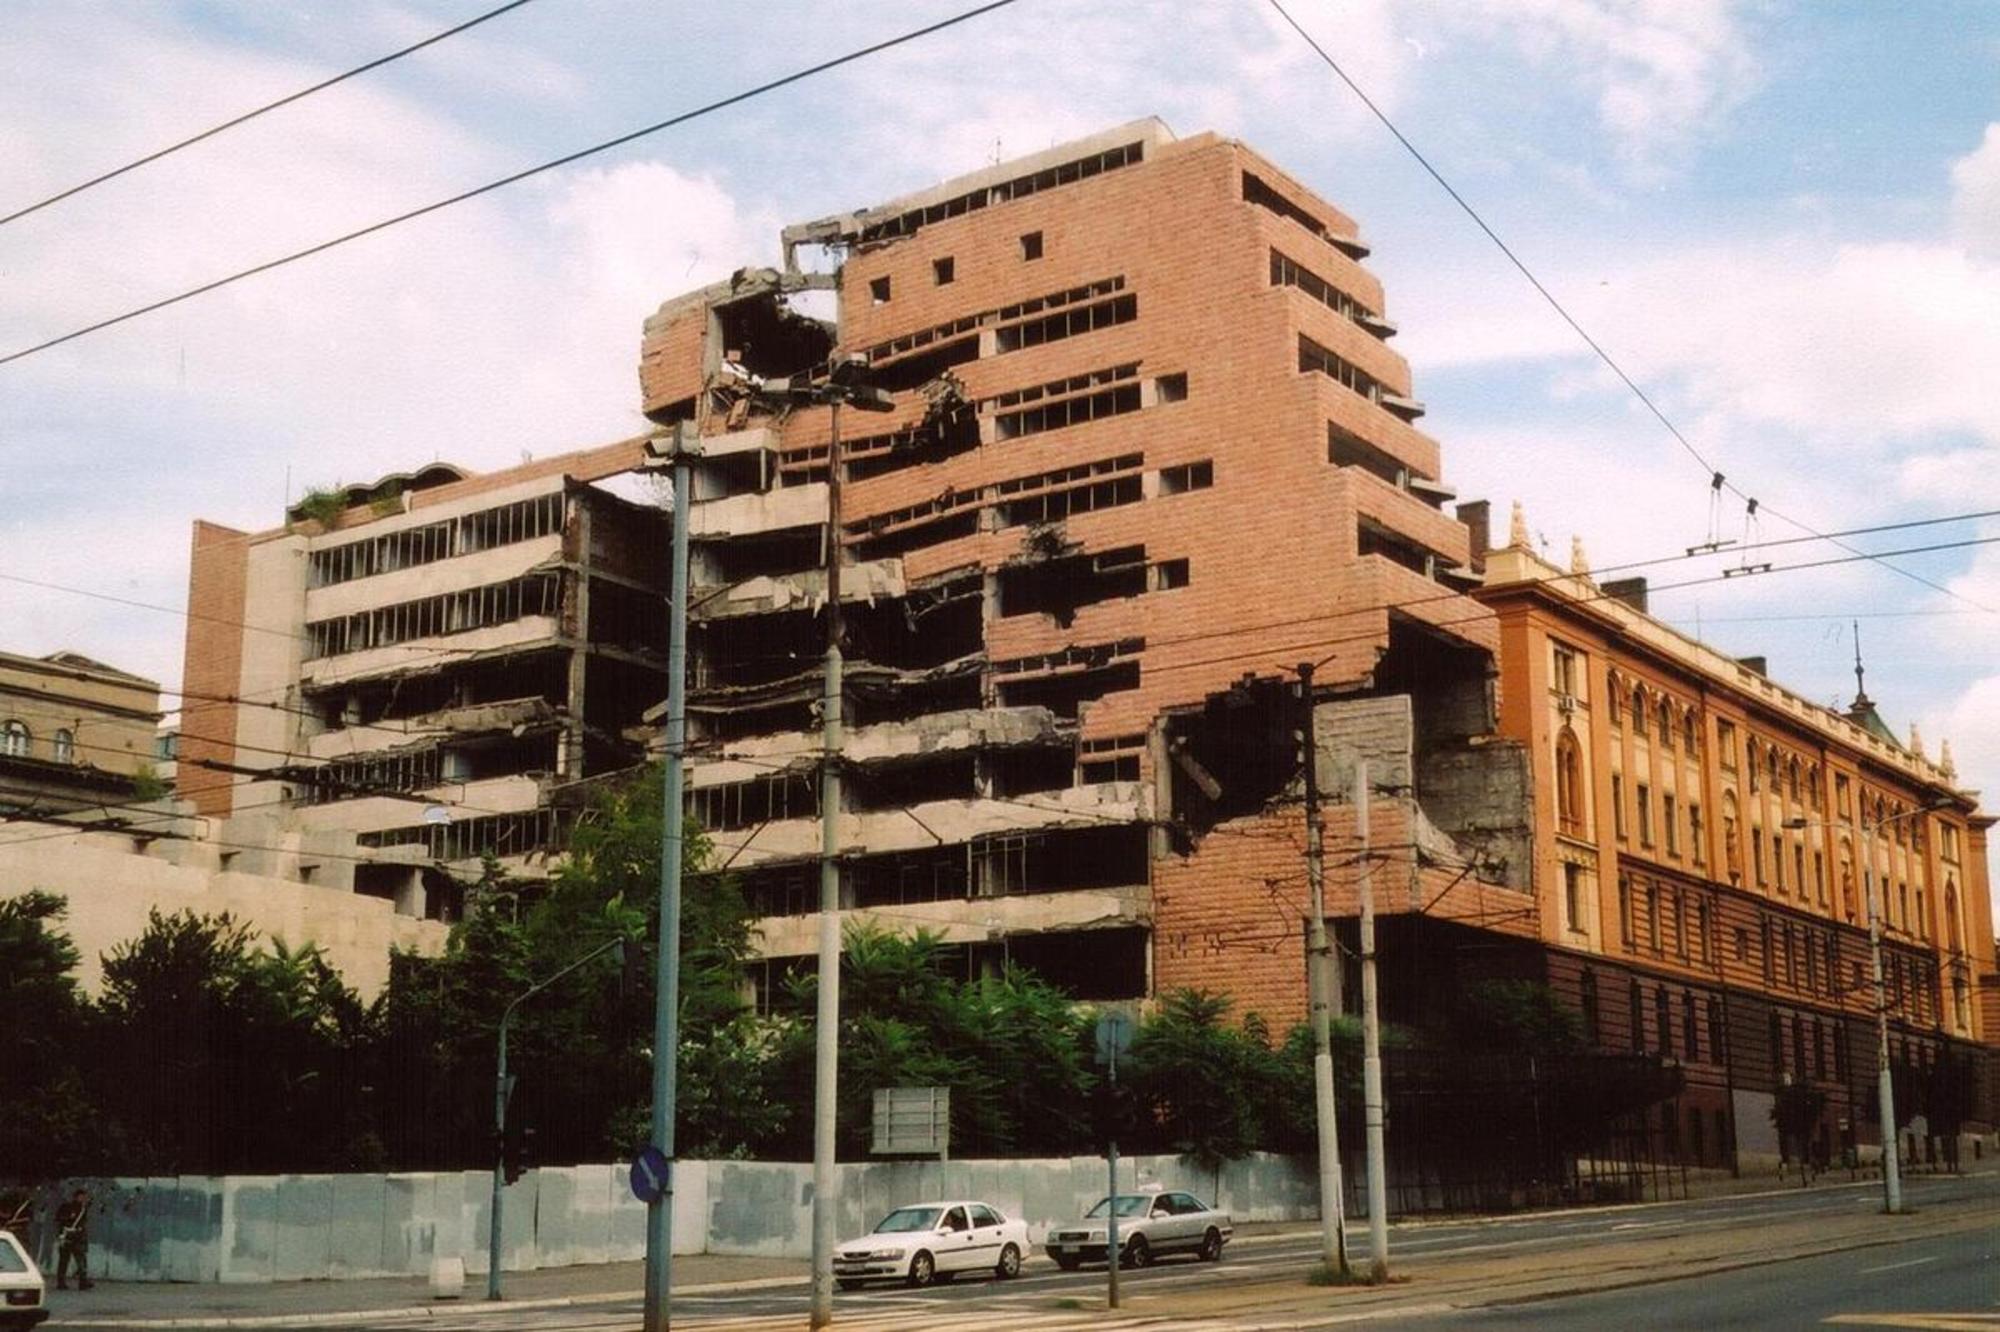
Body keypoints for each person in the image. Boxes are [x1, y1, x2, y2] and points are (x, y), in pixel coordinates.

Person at [55, 1188, 92, 1290]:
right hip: (67, 1235)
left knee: (80, 1260)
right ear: (76, 1197)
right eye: (82, 1197)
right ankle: (61, 1282)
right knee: (64, 1260)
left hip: (77, 1236)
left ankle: (82, 1281)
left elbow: (83, 1223)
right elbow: (58, 1219)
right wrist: (67, 1222)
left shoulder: (83, 1209)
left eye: (85, 1197)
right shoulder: (66, 1206)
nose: (84, 1199)